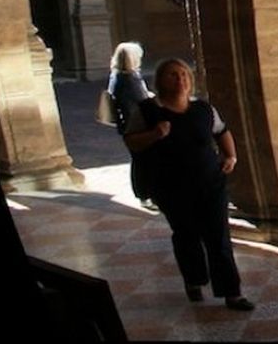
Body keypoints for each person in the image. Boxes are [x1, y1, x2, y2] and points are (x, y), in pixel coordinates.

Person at [124, 59, 253, 312]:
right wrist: (154, 135)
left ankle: (232, 292)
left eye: (184, 74)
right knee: (186, 235)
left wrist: (231, 155)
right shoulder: (147, 110)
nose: (180, 79)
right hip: (170, 186)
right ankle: (194, 280)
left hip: (210, 182)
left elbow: (222, 131)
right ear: (161, 80)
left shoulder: (203, 109)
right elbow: (131, 141)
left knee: (218, 236)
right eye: (173, 75)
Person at [107, 41, 156, 210]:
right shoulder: (129, 78)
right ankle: (145, 195)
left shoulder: (117, 75)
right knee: (143, 161)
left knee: (140, 160)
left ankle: (146, 194)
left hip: (127, 124)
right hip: (137, 125)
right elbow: (142, 101)